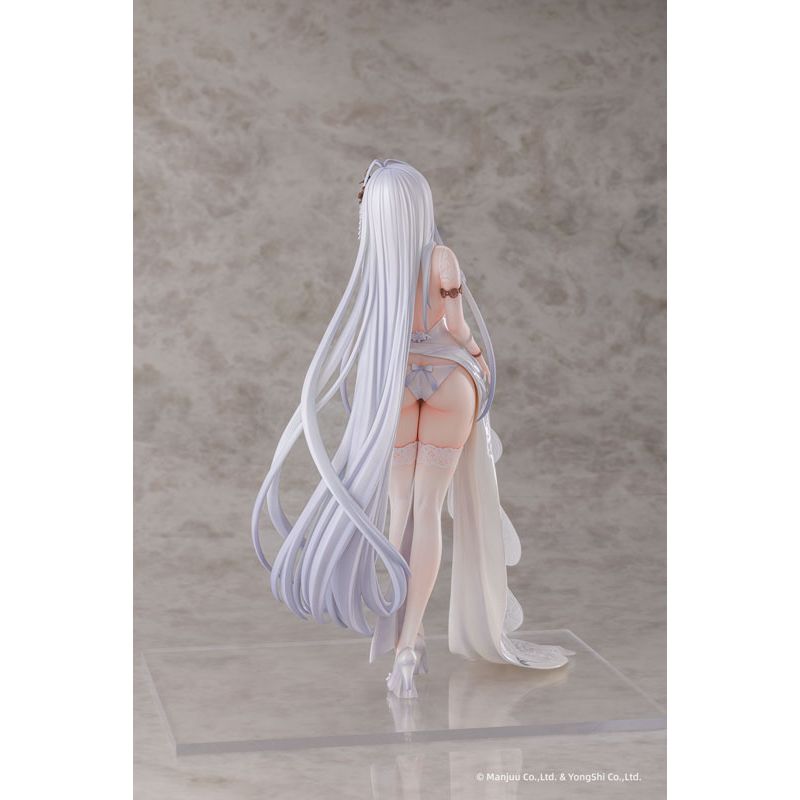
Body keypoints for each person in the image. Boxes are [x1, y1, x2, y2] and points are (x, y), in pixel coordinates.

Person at [252, 159, 572, 700]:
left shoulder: (378, 262)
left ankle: (407, 634)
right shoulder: (441, 259)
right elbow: (458, 327)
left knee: (398, 509)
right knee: (428, 511)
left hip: (397, 381)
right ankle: (407, 644)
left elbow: (372, 335)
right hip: (450, 381)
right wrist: (479, 362)